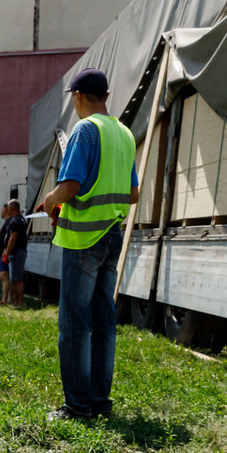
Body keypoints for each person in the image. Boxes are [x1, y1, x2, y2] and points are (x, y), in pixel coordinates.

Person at [42, 68, 139, 421]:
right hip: (113, 236)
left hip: (84, 239)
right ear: (107, 96)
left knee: (74, 325)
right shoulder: (125, 134)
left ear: (78, 96)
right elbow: (133, 193)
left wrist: (51, 200)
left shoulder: (85, 130)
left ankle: (77, 407)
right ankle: (100, 402)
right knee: (103, 322)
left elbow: (69, 187)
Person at [2, 199, 29, 307]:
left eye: (8, 208)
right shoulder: (21, 219)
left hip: (16, 252)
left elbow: (12, 239)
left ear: (11, 208)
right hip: (19, 252)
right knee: (15, 278)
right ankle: (16, 301)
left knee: (17, 279)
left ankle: (19, 302)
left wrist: (6, 253)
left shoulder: (15, 221)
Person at [0, 202, 13, 305]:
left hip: (5, 254)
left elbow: (9, 239)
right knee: (5, 276)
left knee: (4, 275)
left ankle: (5, 299)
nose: (0, 211)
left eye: (2, 209)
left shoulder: (9, 221)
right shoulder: (7, 222)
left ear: (6, 210)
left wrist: (5, 251)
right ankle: (9, 299)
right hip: (3, 253)